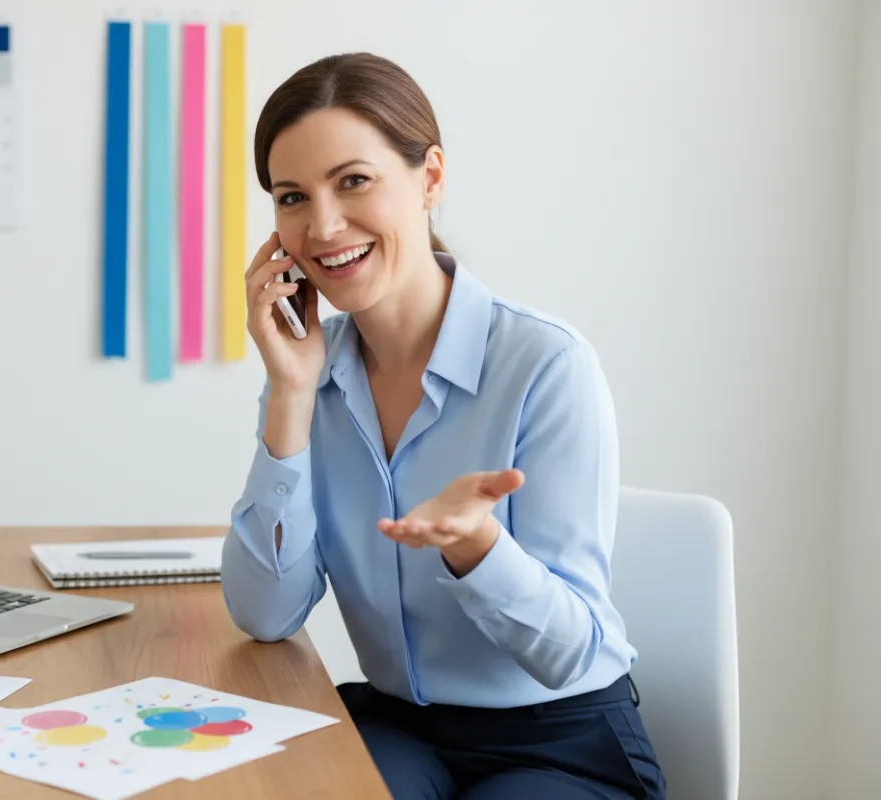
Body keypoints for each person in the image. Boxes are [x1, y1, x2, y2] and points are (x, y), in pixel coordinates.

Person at [220, 51, 666, 800]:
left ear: (429, 178)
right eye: (292, 197)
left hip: (556, 739)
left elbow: (570, 653)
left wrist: (479, 549)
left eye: (353, 181)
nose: (323, 226)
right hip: (399, 727)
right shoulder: (308, 376)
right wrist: (289, 397)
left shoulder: (545, 366)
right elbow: (265, 616)